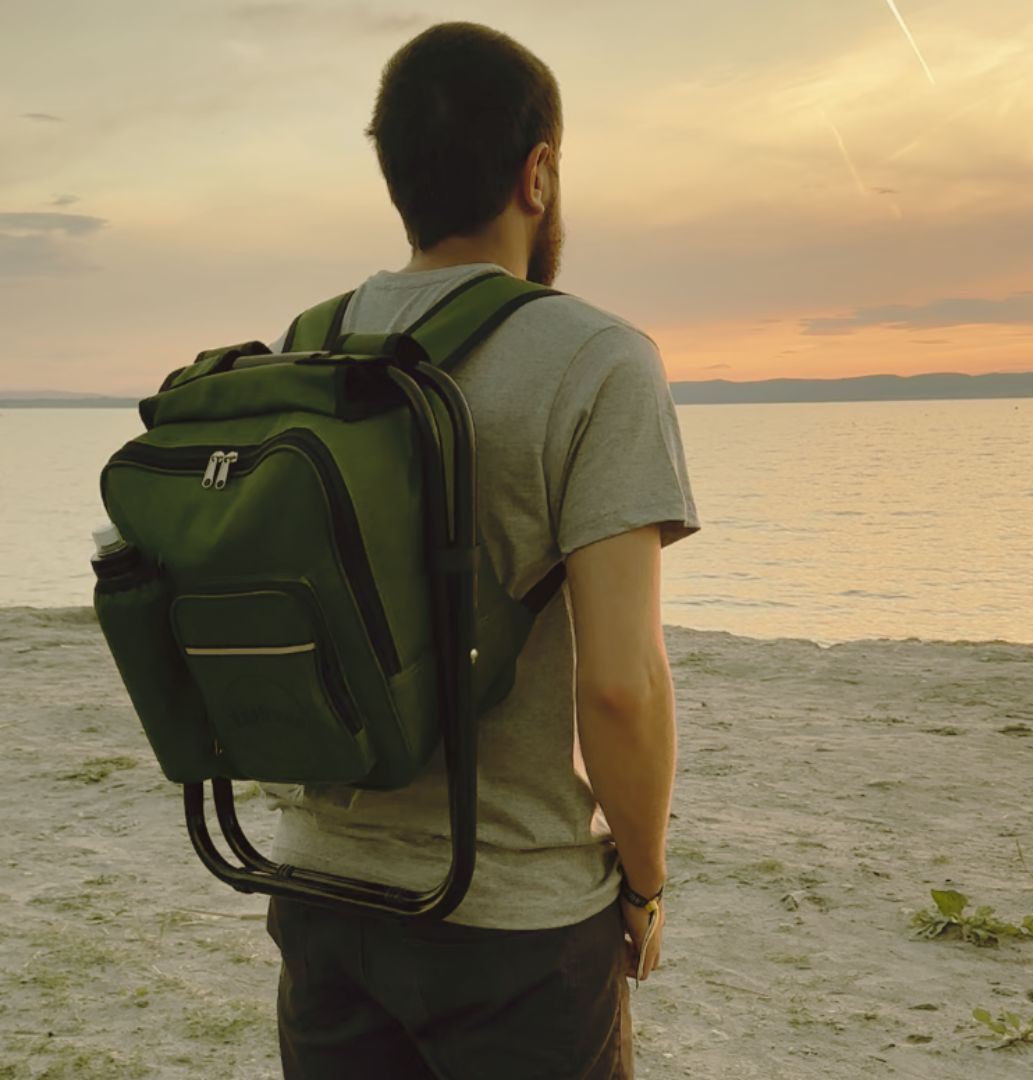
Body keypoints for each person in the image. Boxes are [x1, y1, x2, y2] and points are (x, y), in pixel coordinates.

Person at [263, 21, 700, 1080]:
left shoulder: (312, 344)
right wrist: (641, 882)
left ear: (398, 177)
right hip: (513, 923)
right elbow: (623, 688)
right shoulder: (595, 359)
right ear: (538, 171)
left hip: (321, 896)